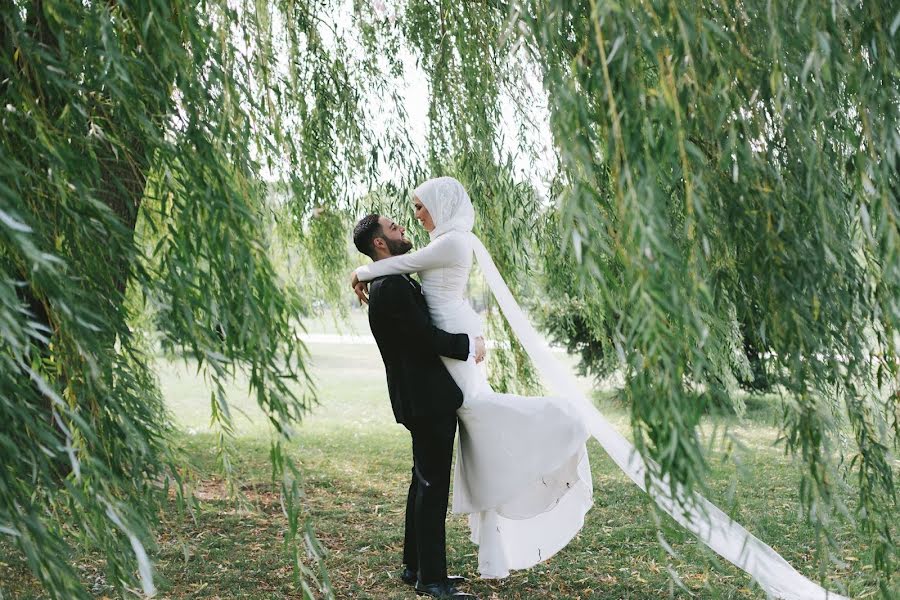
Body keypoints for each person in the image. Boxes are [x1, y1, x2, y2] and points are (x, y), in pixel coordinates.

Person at [351, 177, 850, 600]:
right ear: (380, 242)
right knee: (437, 471)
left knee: (435, 471)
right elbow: (416, 329)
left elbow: (407, 286)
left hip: (438, 382)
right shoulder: (400, 276)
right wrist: (450, 330)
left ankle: (427, 564)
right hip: (432, 390)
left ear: (440, 205)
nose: (409, 219)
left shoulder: (443, 248)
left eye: (416, 209)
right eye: (400, 222)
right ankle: (428, 572)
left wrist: (365, 272)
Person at [352, 214, 482, 599]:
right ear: (379, 243)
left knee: (421, 483)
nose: (403, 230)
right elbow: (425, 338)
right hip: (426, 399)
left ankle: (416, 567)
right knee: (431, 487)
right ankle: (432, 580)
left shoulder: (388, 281)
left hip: (420, 397)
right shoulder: (390, 286)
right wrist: (469, 346)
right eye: (394, 229)